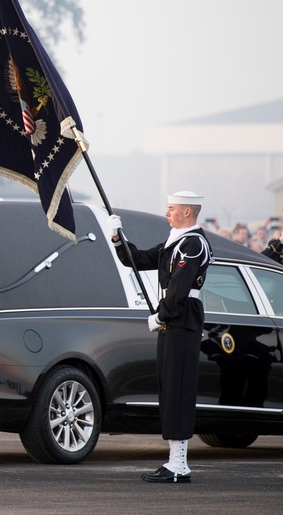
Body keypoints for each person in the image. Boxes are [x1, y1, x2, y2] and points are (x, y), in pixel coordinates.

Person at [108, 190, 211, 484]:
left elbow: (179, 289)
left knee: (178, 391)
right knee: (169, 391)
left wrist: (161, 315)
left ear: (188, 212)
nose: (167, 213)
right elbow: (137, 260)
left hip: (181, 318)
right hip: (173, 320)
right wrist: (118, 239)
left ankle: (179, 464)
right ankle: (174, 461)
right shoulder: (175, 242)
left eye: (172, 208)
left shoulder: (192, 245)